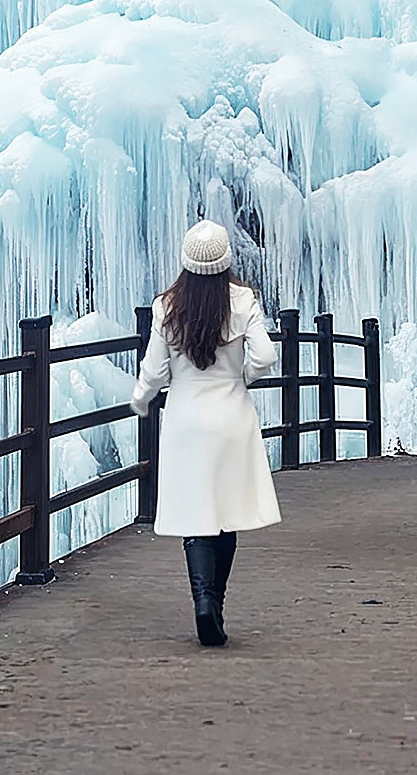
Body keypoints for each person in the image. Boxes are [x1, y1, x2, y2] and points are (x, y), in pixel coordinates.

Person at [130, 218, 280, 646]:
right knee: (226, 513)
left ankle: (202, 601)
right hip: (231, 415)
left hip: (186, 419)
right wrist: (241, 377)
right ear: (225, 260)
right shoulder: (243, 300)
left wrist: (141, 399)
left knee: (197, 513)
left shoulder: (166, 307)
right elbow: (265, 355)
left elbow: (154, 371)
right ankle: (216, 603)